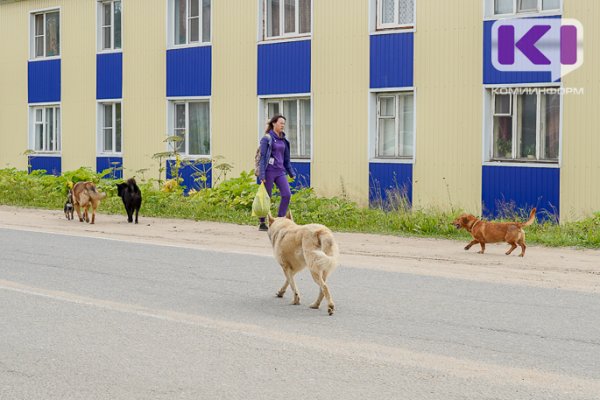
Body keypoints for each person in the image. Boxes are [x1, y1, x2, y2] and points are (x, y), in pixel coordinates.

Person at [257, 115, 296, 231]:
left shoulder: (284, 140)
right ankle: (262, 222)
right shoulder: (267, 139)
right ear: (274, 123)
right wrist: (262, 175)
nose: (282, 125)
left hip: (280, 172)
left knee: (286, 194)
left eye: (284, 123)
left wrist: (291, 172)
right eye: (280, 123)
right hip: (269, 172)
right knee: (266, 197)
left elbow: (286, 159)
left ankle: (279, 220)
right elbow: (262, 158)